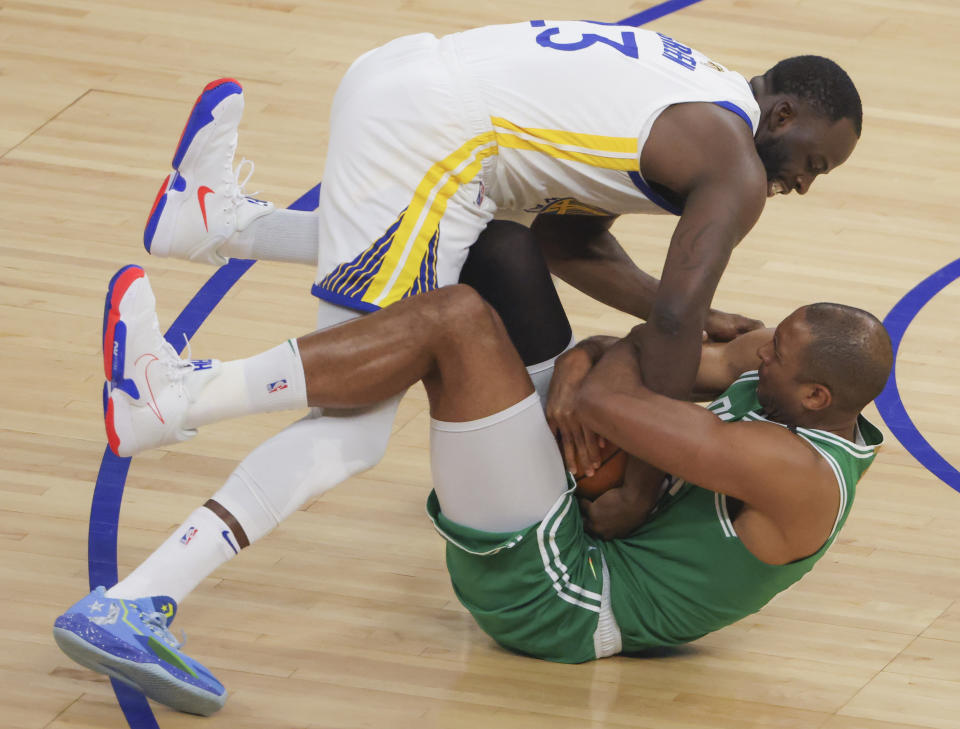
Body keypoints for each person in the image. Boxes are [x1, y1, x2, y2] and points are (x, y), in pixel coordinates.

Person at [114, 20, 862, 626]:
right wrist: (637, 487)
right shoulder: (733, 166)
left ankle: (216, 223)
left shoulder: (697, 92)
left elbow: (560, 239)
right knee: (353, 427)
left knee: (494, 247)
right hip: (434, 144)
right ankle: (176, 411)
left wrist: (675, 317)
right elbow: (673, 316)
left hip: (405, 82)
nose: (803, 180)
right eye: (814, 161)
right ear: (785, 115)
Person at [56, 265, 890, 715]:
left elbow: (617, 379)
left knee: (455, 320)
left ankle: (179, 397)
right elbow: (620, 348)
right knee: (500, 254)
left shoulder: (799, 474)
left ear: (817, 397)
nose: (756, 346)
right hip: (584, 526)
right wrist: (575, 364)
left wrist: (601, 366)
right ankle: (148, 548)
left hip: (564, 600)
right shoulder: (786, 381)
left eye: (775, 353)